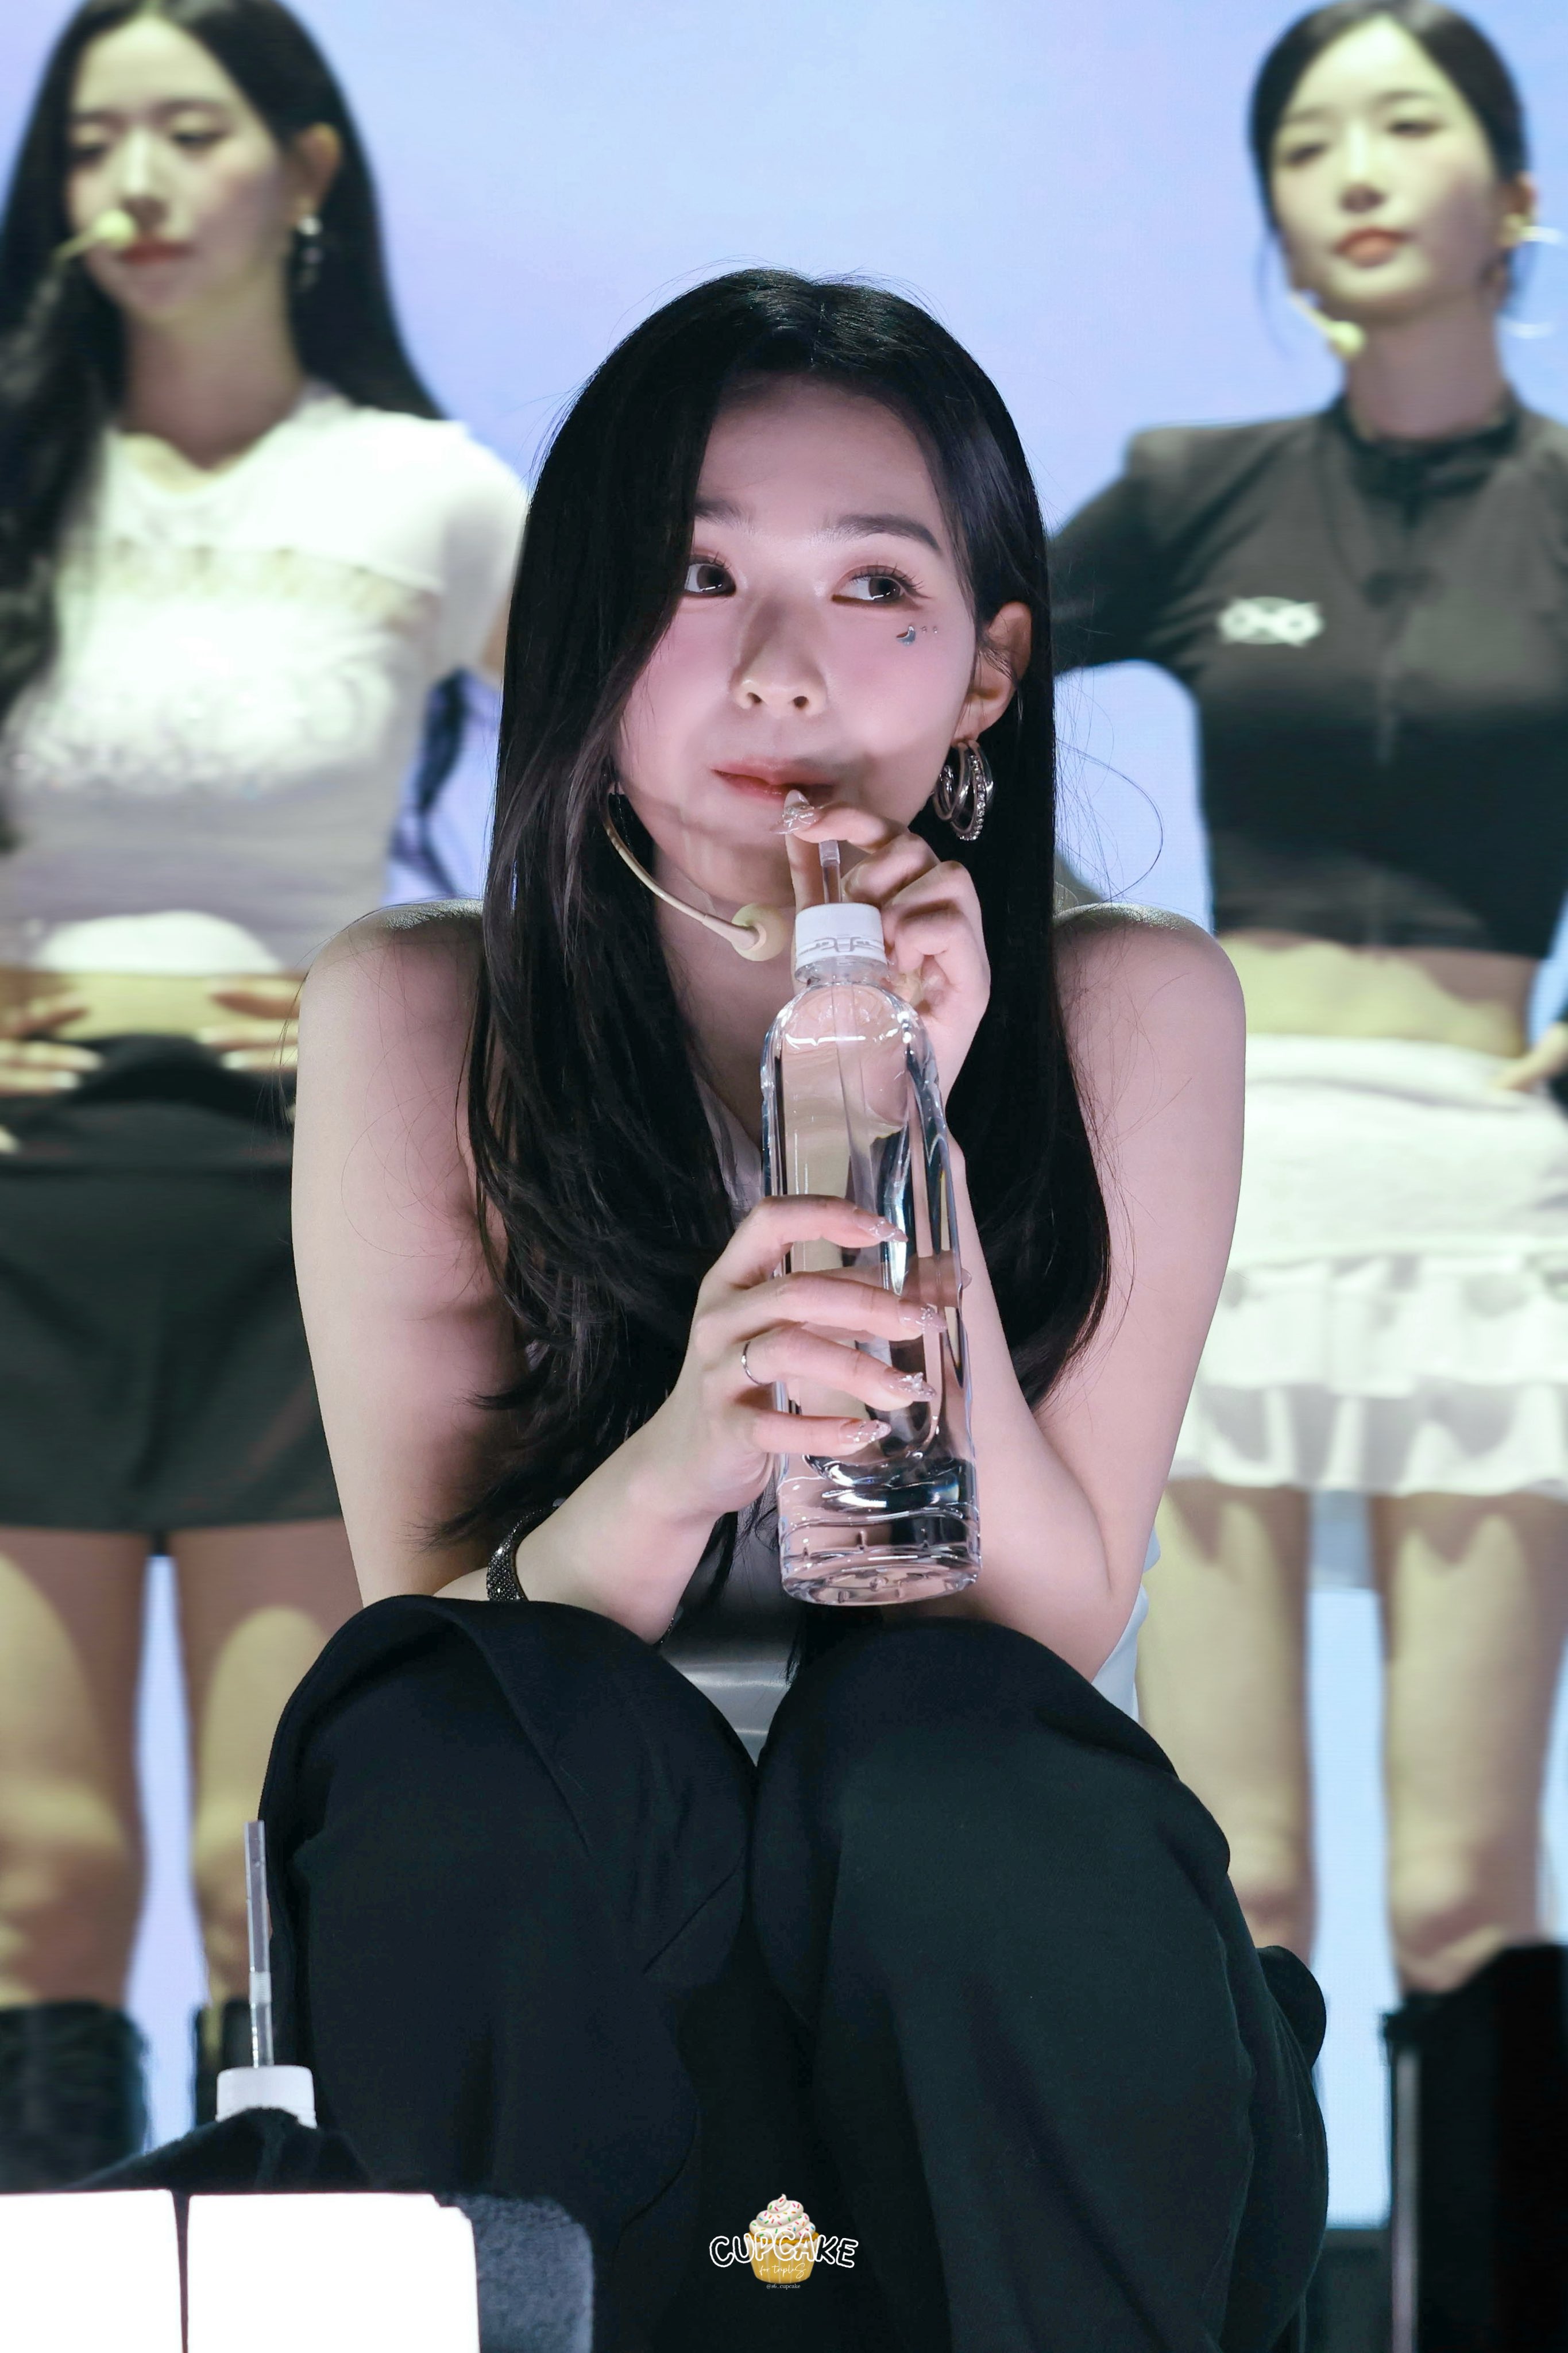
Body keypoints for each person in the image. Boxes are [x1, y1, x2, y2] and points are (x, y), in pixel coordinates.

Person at [261, 268, 1326, 2353]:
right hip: (569, 1910)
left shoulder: (1129, 1008)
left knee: (938, 1748)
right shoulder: (418, 1012)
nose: (779, 670)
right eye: (696, 576)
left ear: (987, 668)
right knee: (461, 1746)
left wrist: (900, 1116)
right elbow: (448, 1630)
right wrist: (689, 1447)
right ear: (574, 625)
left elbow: (1044, 1617)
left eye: (873, 587)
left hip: (979, 1957)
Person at [1051, 0, 1568, 2320]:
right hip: (1230, 1193)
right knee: (1229, 1863)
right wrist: (1037, 983)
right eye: (1300, 140)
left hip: (1484, 1200)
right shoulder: (1193, 485)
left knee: (1465, 1888)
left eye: (1403, 123)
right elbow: (943, 680)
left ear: (1512, 194)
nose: (1348, 171)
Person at [0, 0, 523, 2184]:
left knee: (270, 1861)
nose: (131, 181)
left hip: (309, 1212)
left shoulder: (429, 486)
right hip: (24, 1210)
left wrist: (437, 1016)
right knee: (32, 1879)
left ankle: (285, 2299)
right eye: (89, 137)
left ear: (304, 169)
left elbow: (633, 795)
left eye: (187, 130)